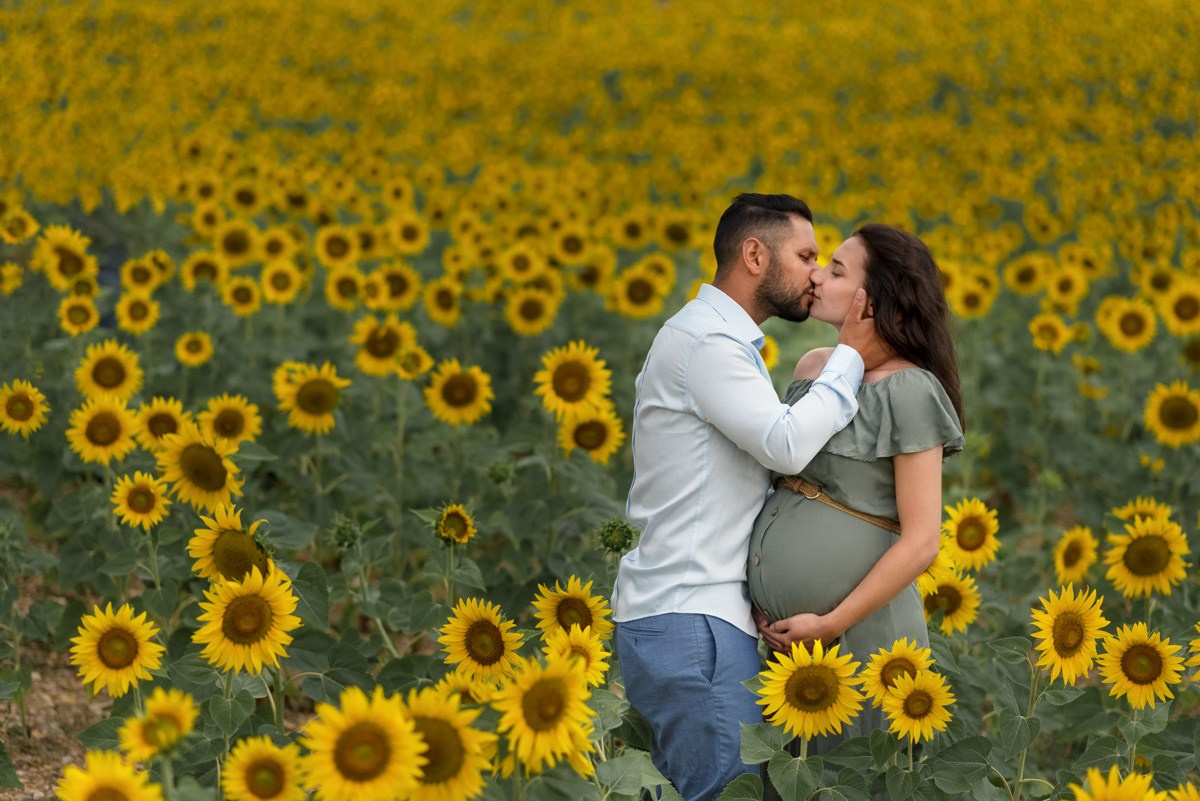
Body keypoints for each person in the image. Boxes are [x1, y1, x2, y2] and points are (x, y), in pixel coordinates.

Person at [611, 193, 889, 801]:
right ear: (755, 254)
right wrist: (851, 356)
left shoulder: (715, 340)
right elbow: (784, 444)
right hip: (694, 625)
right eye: (806, 255)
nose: (817, 273)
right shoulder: (707, 342)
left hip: (701, 621)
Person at [748, 223, 965, 754]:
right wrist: (757, 593)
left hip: (862, 635)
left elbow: (921, 542)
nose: (817, 275)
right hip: (778, 642)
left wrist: (831, 622)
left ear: (876, 297)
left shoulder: (909, 388)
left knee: (851, 778)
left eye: (837, 270)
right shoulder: (813, 367)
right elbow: (778, 488)